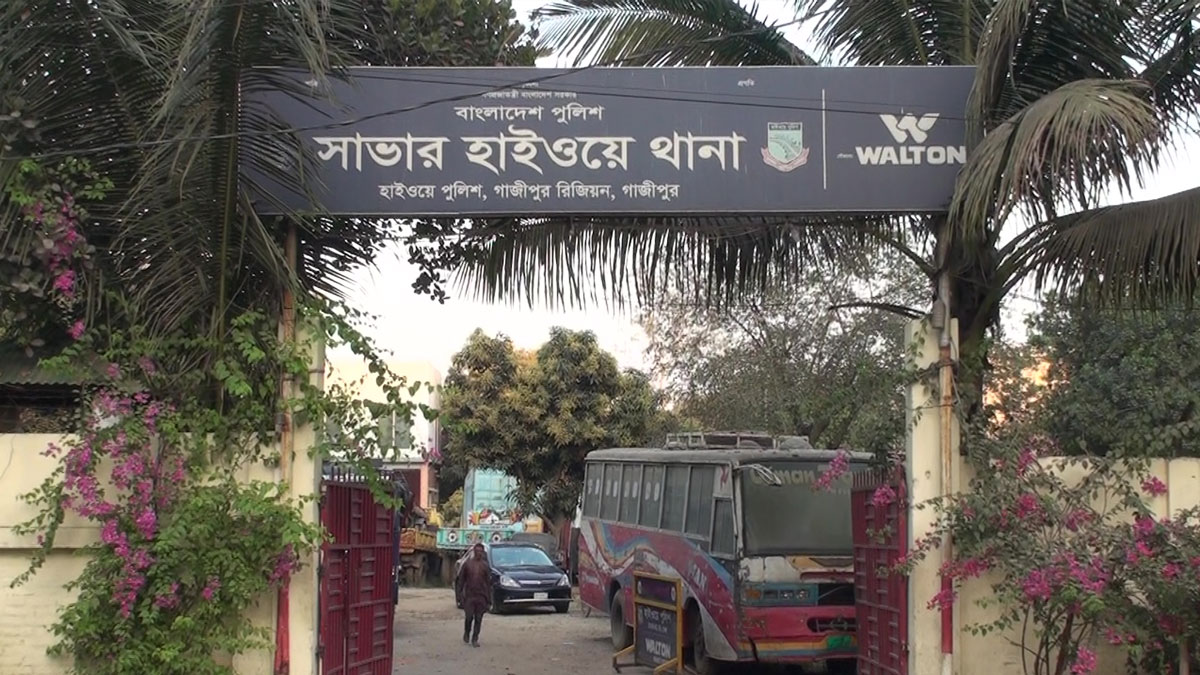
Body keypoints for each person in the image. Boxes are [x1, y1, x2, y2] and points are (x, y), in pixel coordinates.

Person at [458, 542, 491, 647]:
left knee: (478, 618)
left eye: (481, 551)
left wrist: (489, 600)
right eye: (477, 551)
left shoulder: (485, 566)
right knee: (469, 617)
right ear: (474, 552)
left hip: (481, 596)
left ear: (483, 553)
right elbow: (461, 581)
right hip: (470, 595)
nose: (479, 553)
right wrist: (459, 596)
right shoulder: (467, 564)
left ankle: (475, 638)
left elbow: (488, 583)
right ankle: (467, 632)